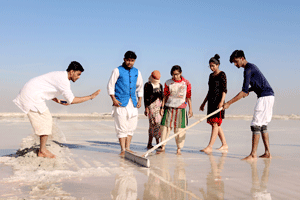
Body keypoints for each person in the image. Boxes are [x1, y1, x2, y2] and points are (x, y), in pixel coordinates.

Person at [13, 61, 101, 158]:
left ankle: (42, 148)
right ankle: (42, 151)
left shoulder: (60, 76)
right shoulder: (64, 81)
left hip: (31, 94)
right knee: (46, 120)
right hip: (31, 97)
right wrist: (91, 96)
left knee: (46, 120)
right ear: (71, 72)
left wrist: (58, 100)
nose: (79, 77)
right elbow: (71, 100)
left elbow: (46, 86)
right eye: (78, 74)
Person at [223, 50, 275, 161]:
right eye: (234, 63)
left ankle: (253, 154)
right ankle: (267, 153)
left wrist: (228, 103)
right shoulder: (252, 67)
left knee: (255, 125)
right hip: (269, 96)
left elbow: (243, 91)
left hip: (264, 97)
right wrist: (249, 90)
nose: (235, 65)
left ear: (242, 58)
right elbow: (257, 84)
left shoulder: (248, 69)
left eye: (236, 62)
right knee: (263, 125)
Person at [107, 51, 143, 157]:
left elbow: (140, 87)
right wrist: (113, 98)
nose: (130, 62)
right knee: (121, 126)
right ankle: (123, 149)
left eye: (132, 61)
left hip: (133, 102)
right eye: (128, 60)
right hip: (120, 102)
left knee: (131, 126)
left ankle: (128, 148)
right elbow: (110, 86)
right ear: (124, 59)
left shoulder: (137, 72)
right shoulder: (117, 70)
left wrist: (140, 100)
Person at [159, 65, 193, 155]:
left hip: (181, 108)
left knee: (180, 129)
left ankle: (179, 148)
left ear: (180, 73)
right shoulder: (168, 82)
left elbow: (189, 96)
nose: (175, 77)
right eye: (173, 75)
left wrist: (190, 109)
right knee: (165, 127)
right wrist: (162, 107)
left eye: (177, 74)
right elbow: (165, 95)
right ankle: (163, 146)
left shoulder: (186, 83)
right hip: (169, 107)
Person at [200, 54, 228, 153]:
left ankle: (210, 146)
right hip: (211, 102)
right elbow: (210, 91)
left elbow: (224, 90)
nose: (211, 68)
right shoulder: (211, 76)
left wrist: (221, 102)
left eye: (213, 66)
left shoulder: (222, 74)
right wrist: (203, 103)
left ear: (218, 64)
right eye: (210, 66)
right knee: (215, 124)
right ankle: (224, 144)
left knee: (216, 123)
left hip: (218, 102)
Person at [144, 70, 163, 150]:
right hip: (151, 106)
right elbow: (146, 97)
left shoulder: (160, 85)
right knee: (152, 124)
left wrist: (162, 108)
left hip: (159, 106)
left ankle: (158, 142)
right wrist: (146, 108)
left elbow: (162, 97)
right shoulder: (147, 85)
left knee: (159, 124)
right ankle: (150, 143)